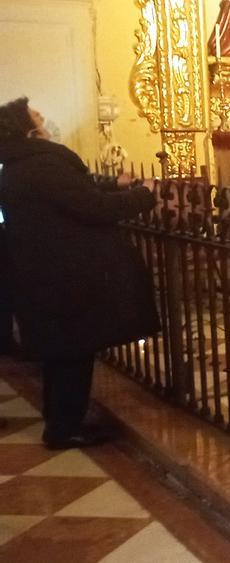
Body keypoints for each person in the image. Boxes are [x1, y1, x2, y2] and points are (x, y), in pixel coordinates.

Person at [0, 98, 159, 450]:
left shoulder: (18, 166)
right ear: (27, 129)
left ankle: (60, 419)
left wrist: (113, 184)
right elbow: (94, 208)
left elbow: (73, 193)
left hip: (44, 275)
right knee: (74, 351)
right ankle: (65, 428)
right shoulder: (42, 164)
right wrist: (143, 196)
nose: (44, 121)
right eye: (38, 116)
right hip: (66, 277)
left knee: (62, 353)